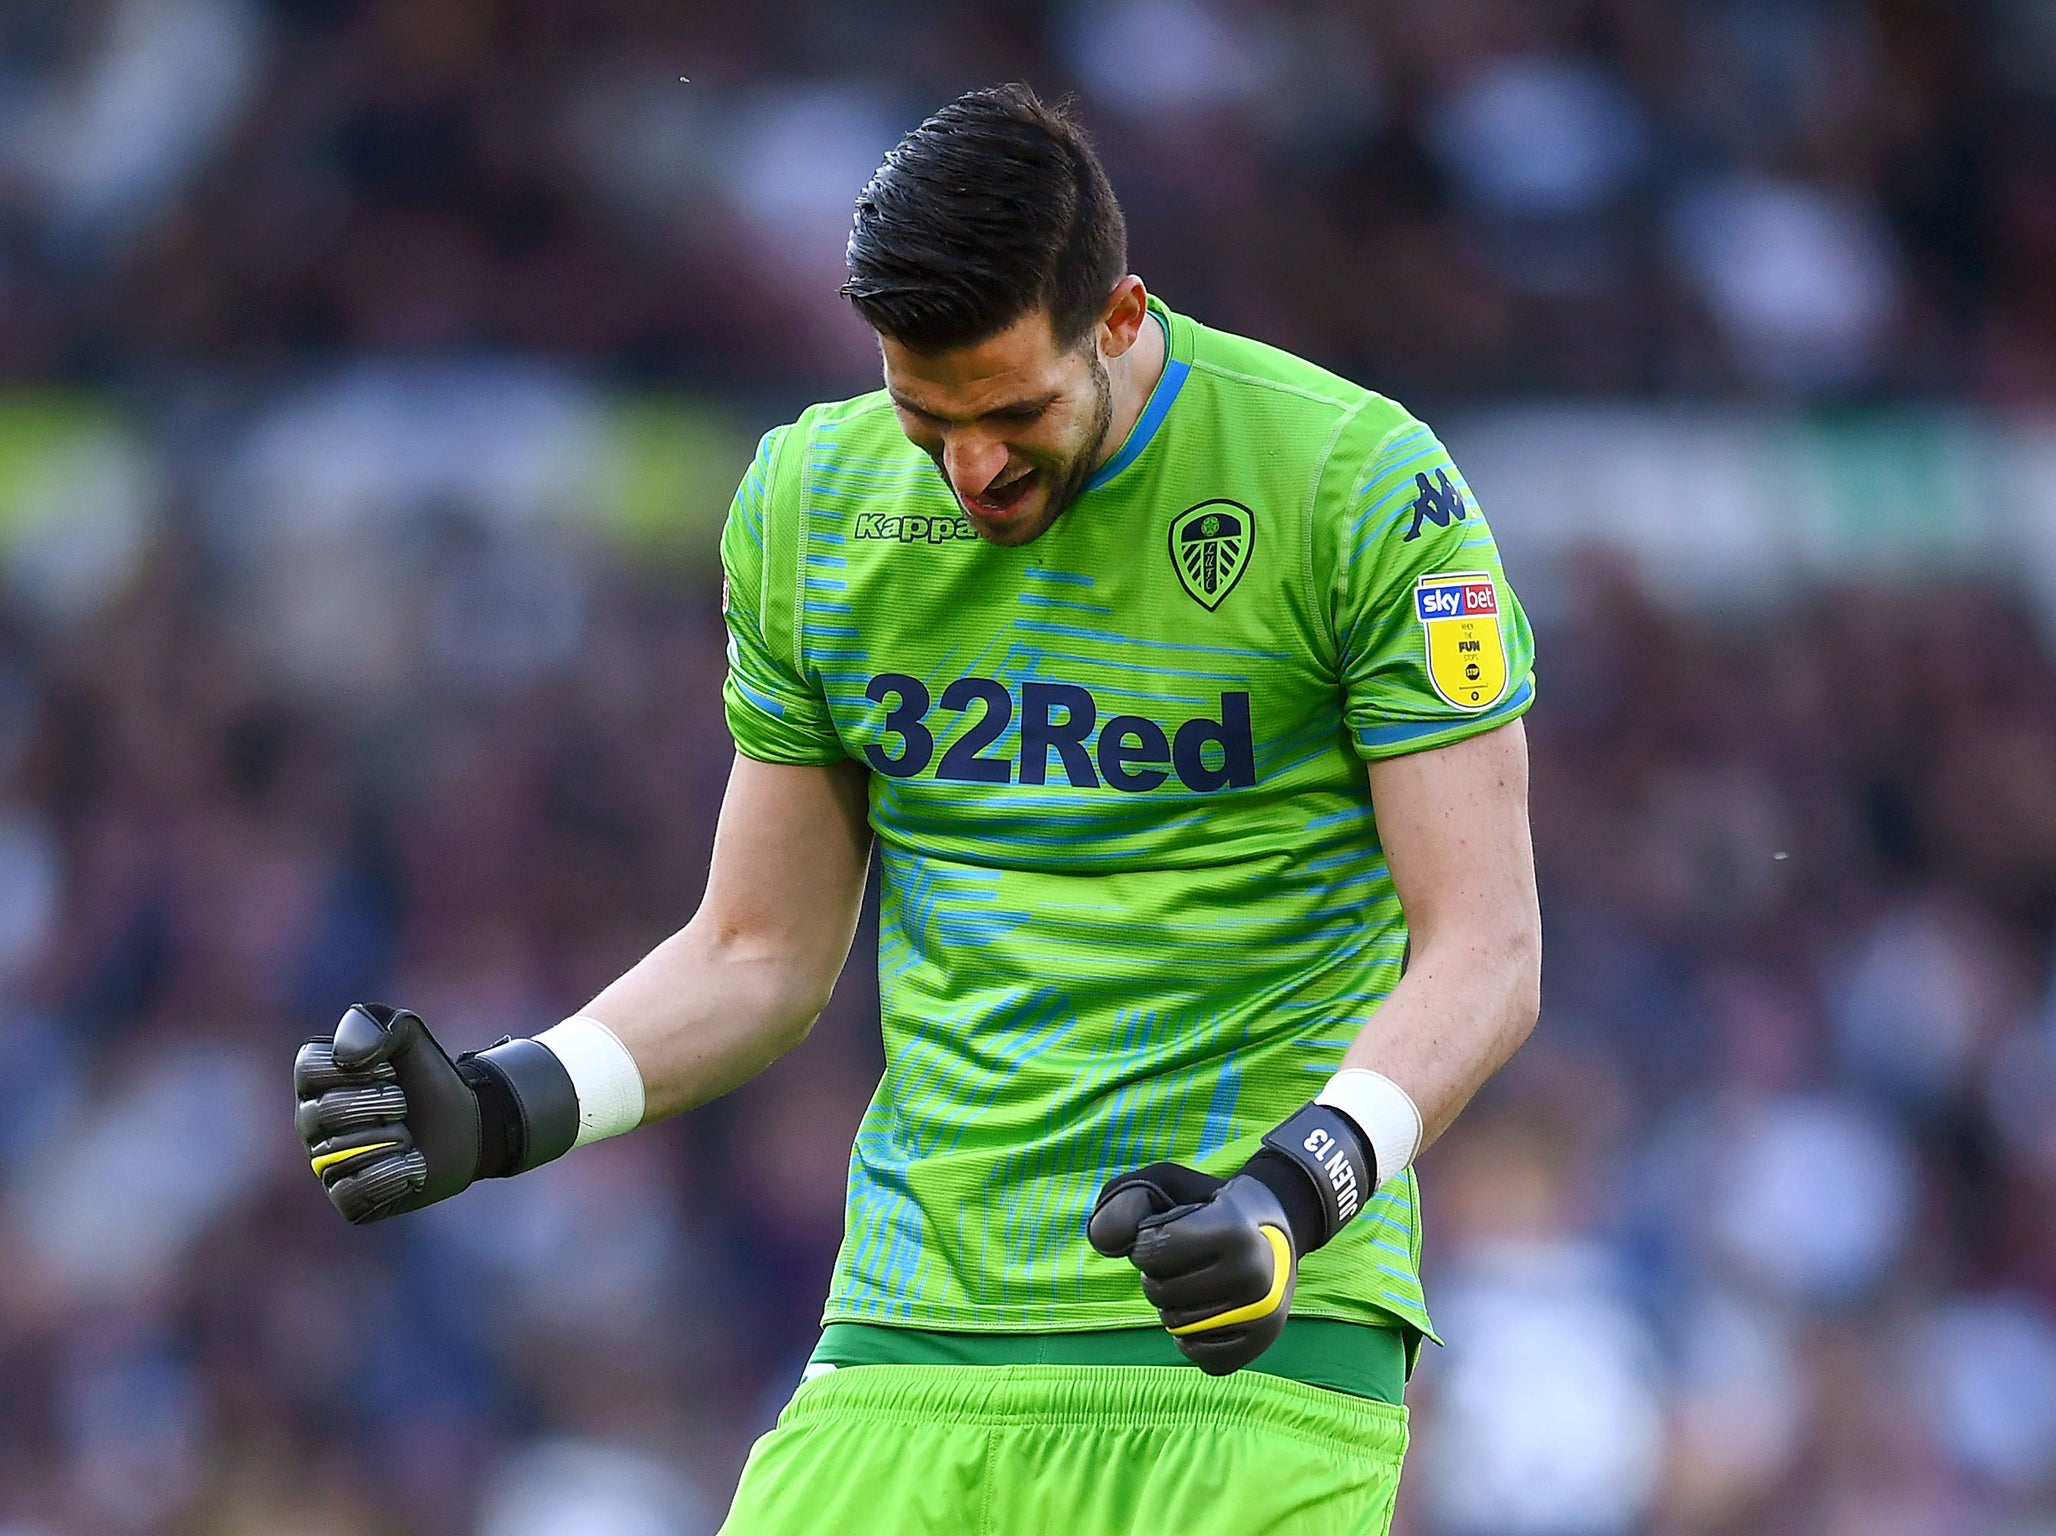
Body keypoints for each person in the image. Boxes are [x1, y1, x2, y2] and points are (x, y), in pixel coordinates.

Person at [293, 83, 1541, 1535]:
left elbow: (1487, 950)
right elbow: (760, 948)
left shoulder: (1360, 488)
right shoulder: (811, 502)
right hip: (907, 1336)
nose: (974, 469)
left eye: (1016, 413)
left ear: (1123, 318)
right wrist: (509, 1104)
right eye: (927, 418)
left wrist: (1290, 1190)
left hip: (1251, 1333)